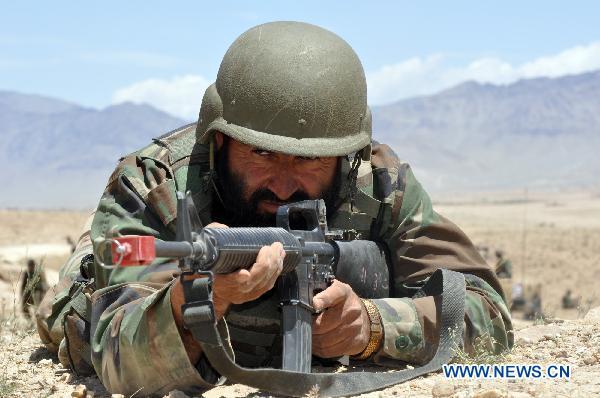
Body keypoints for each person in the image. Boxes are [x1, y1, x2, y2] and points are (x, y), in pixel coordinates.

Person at [36, 21, 512, 396]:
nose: (284, 187)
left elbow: (486, 312)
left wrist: (372, 325)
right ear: (219, 141)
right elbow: (112, 354)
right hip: (145, 255)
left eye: (308, 162)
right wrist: (188, 307)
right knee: (67, 308)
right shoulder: (155, 182)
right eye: (259, 154)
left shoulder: (379, 184)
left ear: (345, 157)